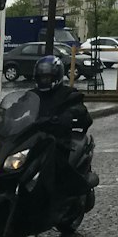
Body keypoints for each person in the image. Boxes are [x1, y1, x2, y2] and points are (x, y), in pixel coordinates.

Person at [33, 55, 96, 194]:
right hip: (34, 140)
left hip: (58, 141)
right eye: (41, 77)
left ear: (56, 77)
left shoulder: (68, 94)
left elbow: (82, 113)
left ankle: (55, 200)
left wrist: (70, 115)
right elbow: (19, 107)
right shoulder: (32, 94)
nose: (44, 80)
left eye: (47, 77)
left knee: (55, 170)